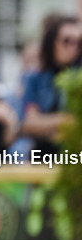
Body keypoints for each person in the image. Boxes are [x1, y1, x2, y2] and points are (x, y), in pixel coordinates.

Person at [21, 13, 81, 156]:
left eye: (79, 42)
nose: (73, 47)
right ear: (53, 41)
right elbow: (30, 122)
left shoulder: (79, 79)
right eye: (67, 41)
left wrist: (48, 123)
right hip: (42, 155)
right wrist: (64, 120)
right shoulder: (35, 77)